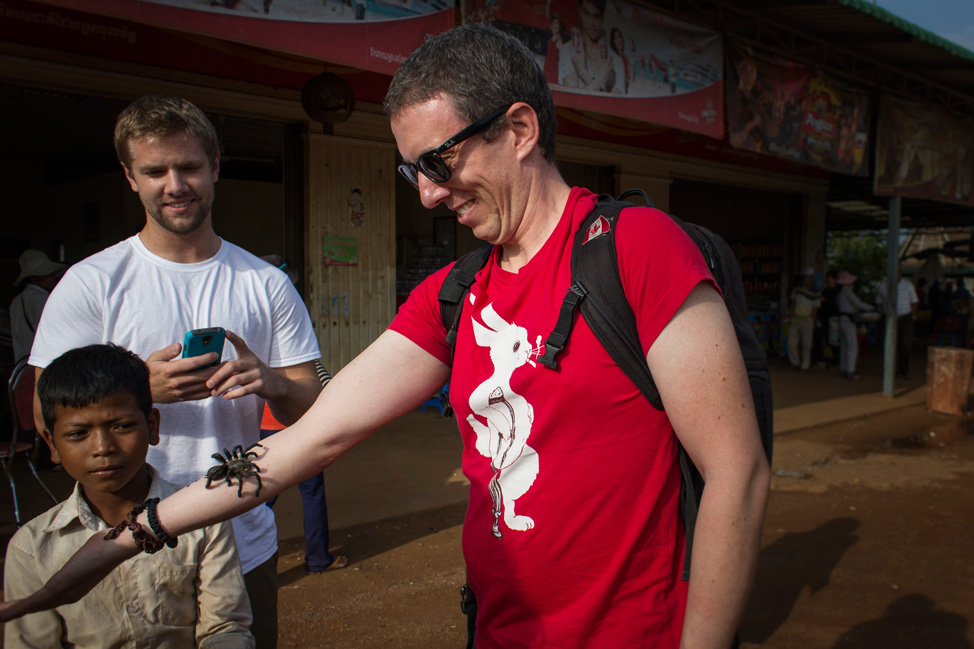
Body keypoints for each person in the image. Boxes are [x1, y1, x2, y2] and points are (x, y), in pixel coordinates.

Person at [0, 25, 770, 649]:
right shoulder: (455, 294)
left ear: (520, 129)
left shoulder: (634, 247)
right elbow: (307, 440)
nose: (431, 194)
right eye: (413, 173)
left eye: (440, 161)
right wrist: (139, 530)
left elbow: (736, 472)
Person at [26, 94, 323, 649]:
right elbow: (44, 410)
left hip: (241, 540)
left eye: (188, 167)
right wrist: (137, 388)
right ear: (129, 178)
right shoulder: (92, 283)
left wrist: (272, 382)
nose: (175, 184)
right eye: (155, 171)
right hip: (121, 541)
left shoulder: (265, 284)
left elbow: (311, 407)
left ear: (215, 167)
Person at [4, 344, 254, 648]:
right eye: (77, 433)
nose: (102, 447)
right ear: (52, 444)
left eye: (122, 426)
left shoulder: (205, 518)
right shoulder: (31, 549)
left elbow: (225, 628)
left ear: (152, 426)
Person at [257, 255, 348, 575]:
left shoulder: (251, 317)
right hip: (295, 423)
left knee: (260, 495)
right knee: (311, 493)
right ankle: (318, 558)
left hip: (262, 426)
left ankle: (255, 563)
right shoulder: (290, 317)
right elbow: (315, 375)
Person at [8, 249, 65, 364]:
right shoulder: (42, 300)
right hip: (41, 363)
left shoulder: (17, 301)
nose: (53, 277)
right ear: (34, 278)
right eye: (48, 275)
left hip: (22, 363)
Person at [558, 0, 626, 93]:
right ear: (580, 13)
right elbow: (572, 98)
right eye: (586, 14)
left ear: (602, 18)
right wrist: (599, 80)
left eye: (596, 16)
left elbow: (611, 104)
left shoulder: (615, 60)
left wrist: (582, 71)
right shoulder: (568, 50)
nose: (591, 23)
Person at [875, 270, 919, 379]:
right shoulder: (883, 286)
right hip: (889, 318)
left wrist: (913, 317)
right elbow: (878, 302)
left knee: (905, 346)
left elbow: (914, 302)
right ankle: (890, 371)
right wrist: (881, 314)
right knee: (889, 345)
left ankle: (903, 371)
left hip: (905, 318)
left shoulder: (908, 285)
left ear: (900, 272)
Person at [835, 270, 874, 381]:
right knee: (852, 346)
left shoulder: (839, 294)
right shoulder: (847, 292)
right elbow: (859, 303)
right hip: (847, 320)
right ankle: (850, 371)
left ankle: (843, 368)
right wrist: (872, 308)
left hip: (841, 320)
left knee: (844, 346)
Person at [788, 267, 820, 372]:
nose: (806, 278)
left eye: (808, 276)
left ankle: (805, 365)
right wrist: (788, 313)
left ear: (812, 278)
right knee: (791, 343)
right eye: (805, 276)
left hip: (807, 320)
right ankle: (795, 362)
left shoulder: (815, 290)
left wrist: (812, 318)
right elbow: (792, 302)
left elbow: (816, 307)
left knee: (807, 344)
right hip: (795, 318)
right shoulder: (797, 288)